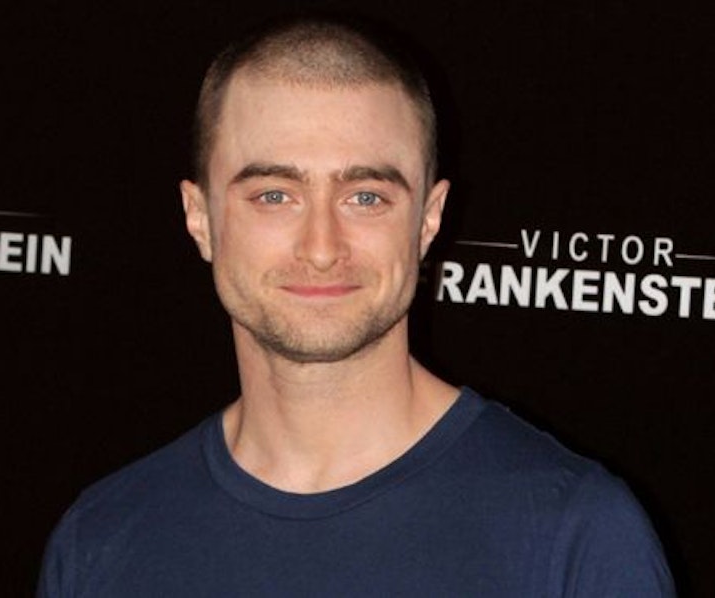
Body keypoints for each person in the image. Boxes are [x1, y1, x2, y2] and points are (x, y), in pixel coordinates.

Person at [38, 16, 675, 597]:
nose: (321, 249)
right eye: (274, 195)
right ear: (199, 217)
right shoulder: (102, 539)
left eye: (366, 197)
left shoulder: (576, 538)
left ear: (429, 220)